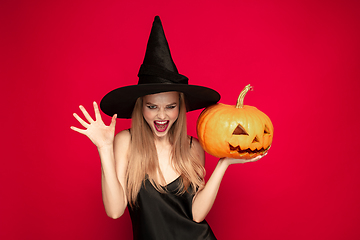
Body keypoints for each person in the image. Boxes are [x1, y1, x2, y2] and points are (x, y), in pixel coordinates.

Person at [71, 16, 267, 240]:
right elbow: (115, 211)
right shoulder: (126, 141)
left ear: (180, 108)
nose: (162, 115)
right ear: (141, 107)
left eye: (170, 106)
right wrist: (105, 148)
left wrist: (223, 165)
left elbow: (196, 214)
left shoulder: (193, 146)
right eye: (152, 106)